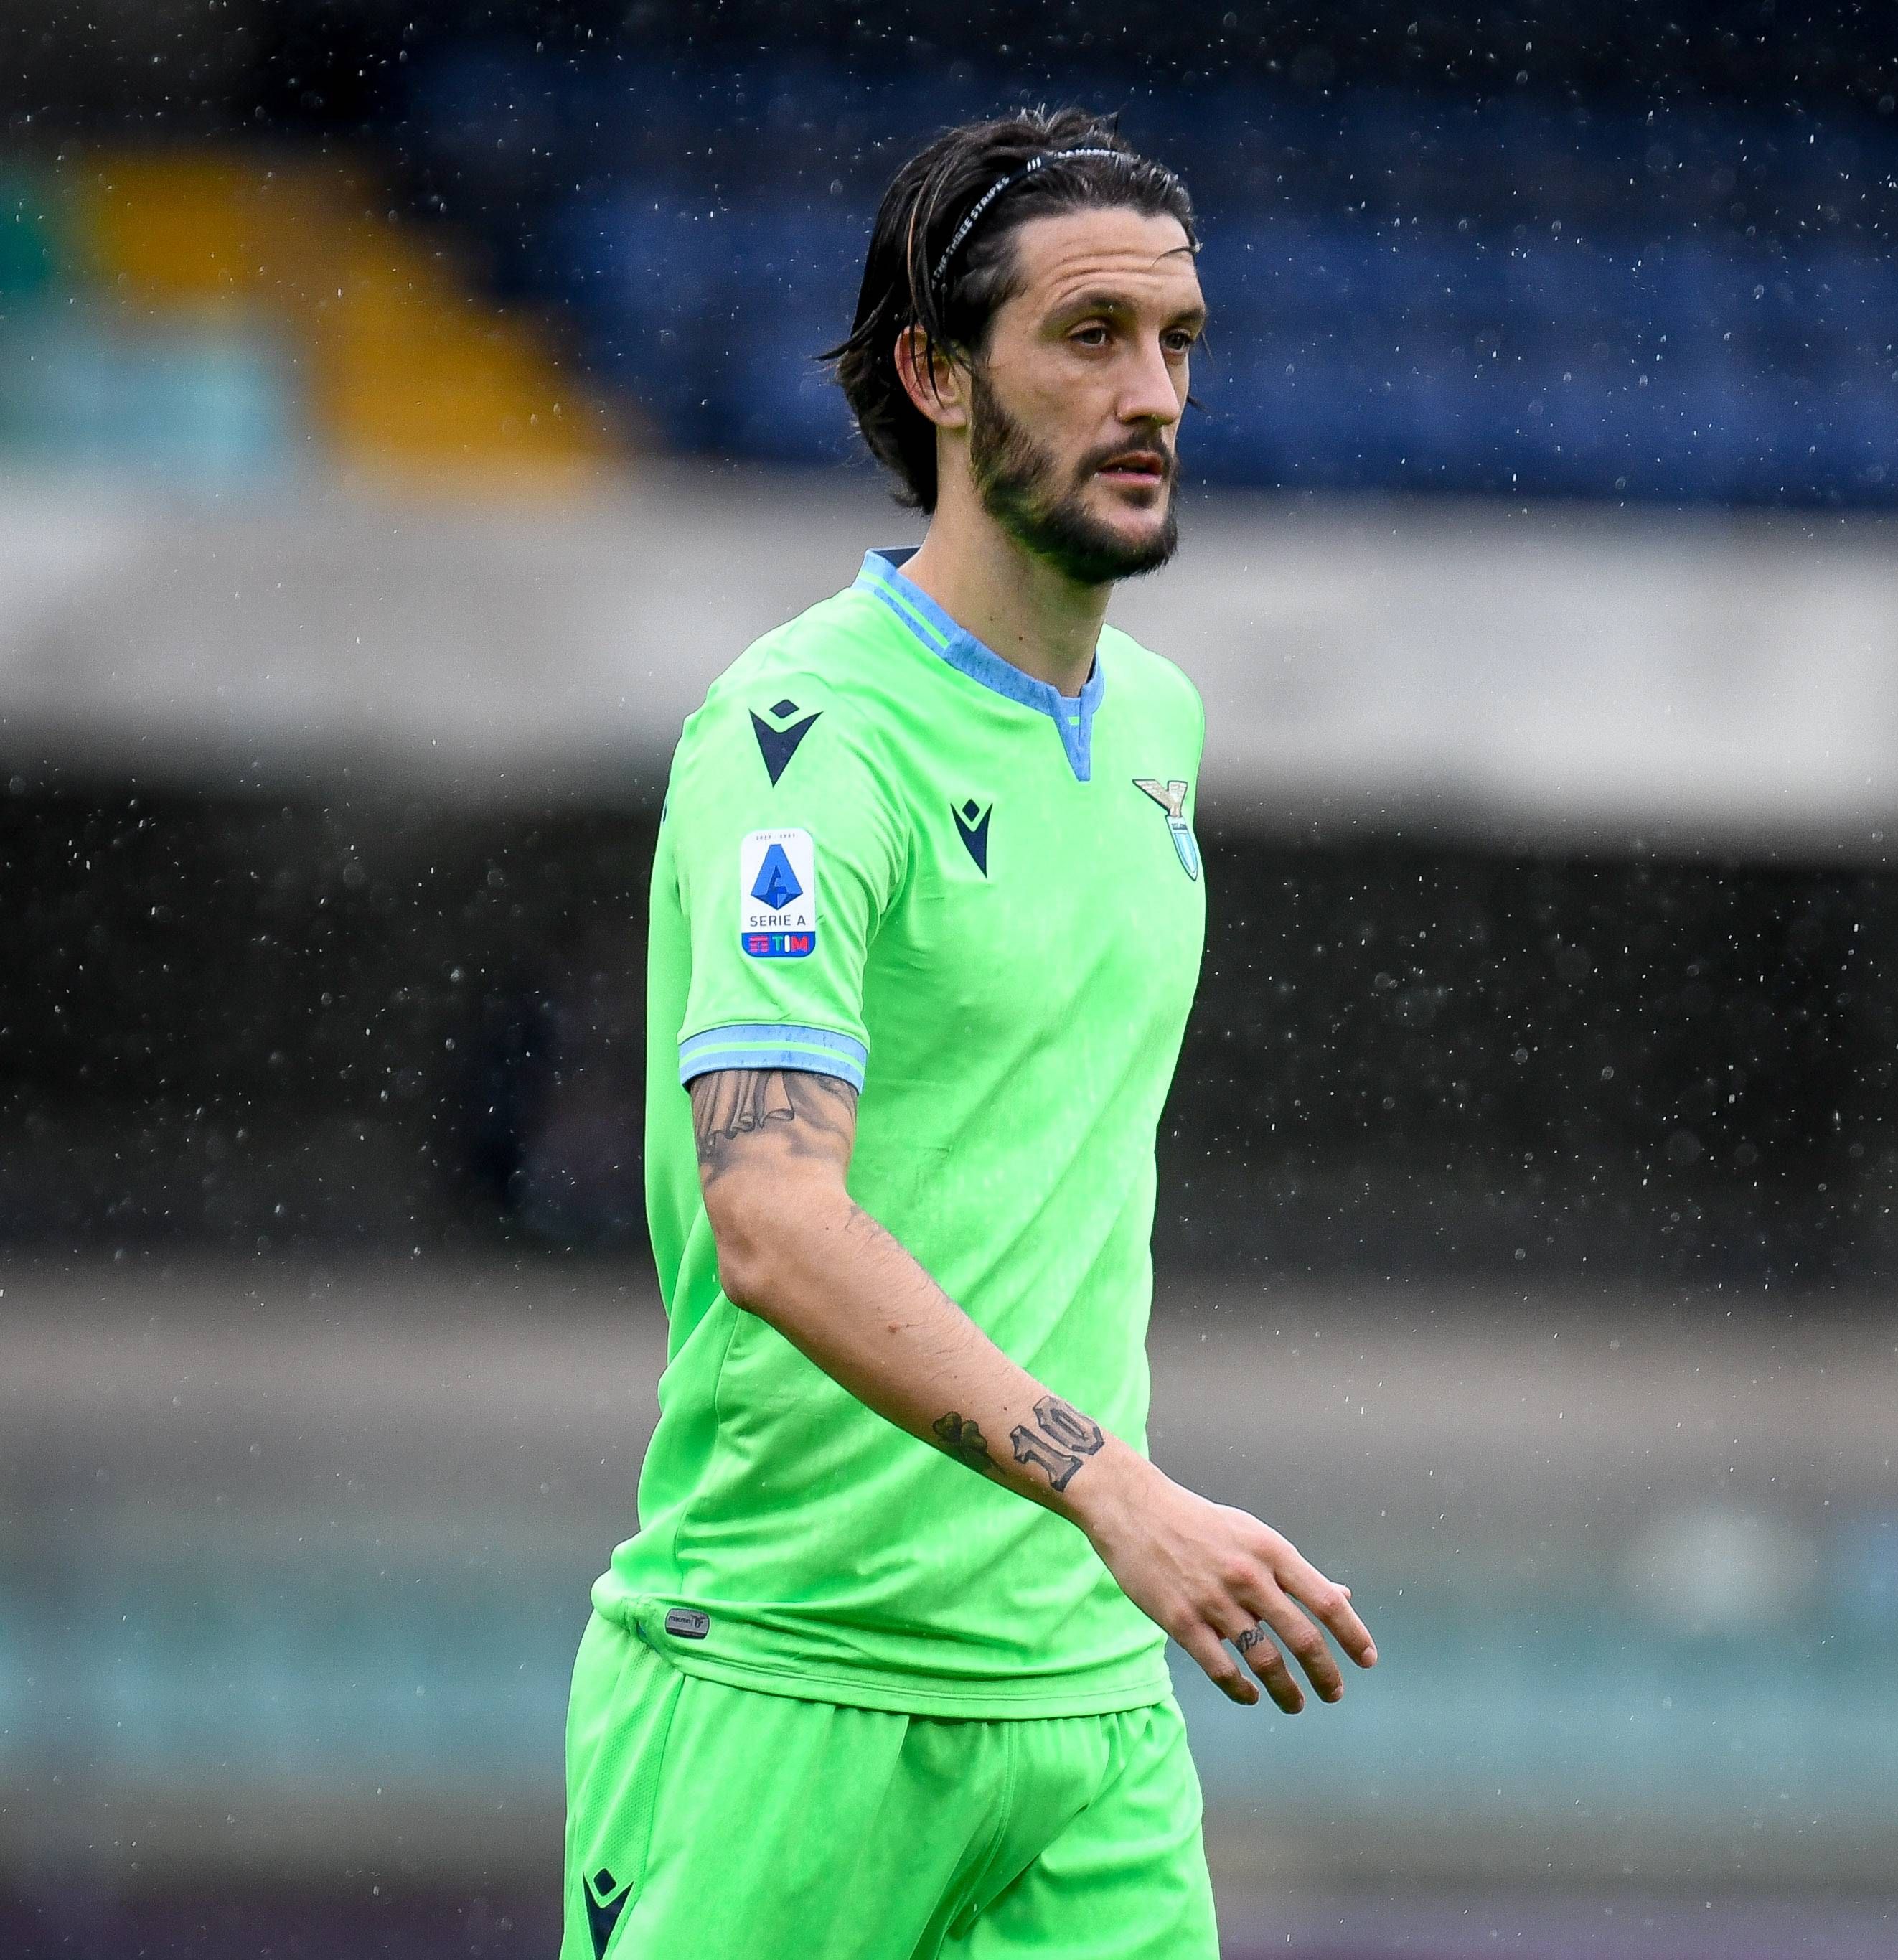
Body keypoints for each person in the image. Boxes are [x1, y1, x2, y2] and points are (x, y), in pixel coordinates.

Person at [559, 107, 1373, 1960]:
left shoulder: (1157, 716)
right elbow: (771, 1221)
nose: (1152, 391)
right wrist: (1110, 1485)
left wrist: (1102, 1539)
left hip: (1088, 1712)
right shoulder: (805, 739)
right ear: (935, 372)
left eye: (1179, 341)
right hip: (788, 1687)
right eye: (1089, 338)